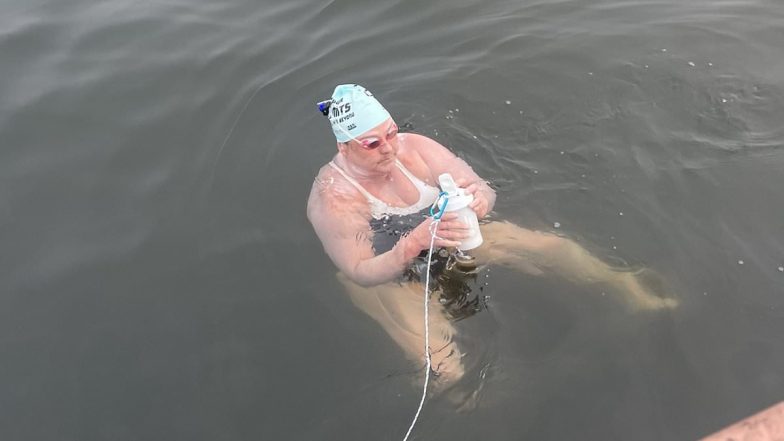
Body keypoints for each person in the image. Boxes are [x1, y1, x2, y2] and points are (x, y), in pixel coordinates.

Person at [307, 84, 677, 388]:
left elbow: (474, 182)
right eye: (373, 144)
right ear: (345, 146)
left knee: (546, 245)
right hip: (390, 274)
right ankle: (469, 404)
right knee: (445, 366)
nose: (389, 147)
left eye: (390, 132)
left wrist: (480, 198)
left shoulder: (413, 147)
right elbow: (360, 270)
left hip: (448, 236)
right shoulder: (335, 197)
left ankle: (625, 286)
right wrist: (412, 245)